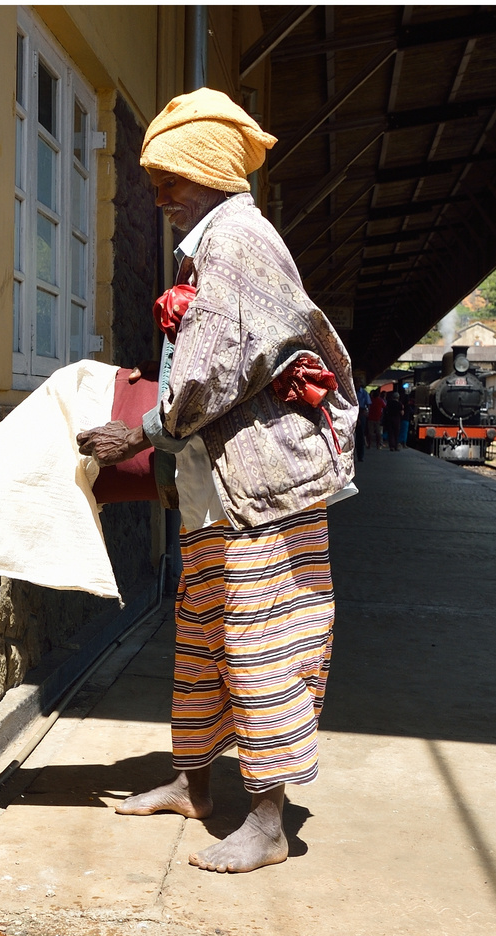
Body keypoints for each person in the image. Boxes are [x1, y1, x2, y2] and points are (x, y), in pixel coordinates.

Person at [75, 89, 356, 874]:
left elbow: (209, 374)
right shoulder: (215, 241)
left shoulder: (233, 243)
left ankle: (268, 824)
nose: (160, 196)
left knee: (264, 643)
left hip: (264, 490)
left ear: (211, 173)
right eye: (155, 180)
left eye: (174, 179)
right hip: (221, 489)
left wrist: (139, 432)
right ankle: (193, 783)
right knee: (204, 635)